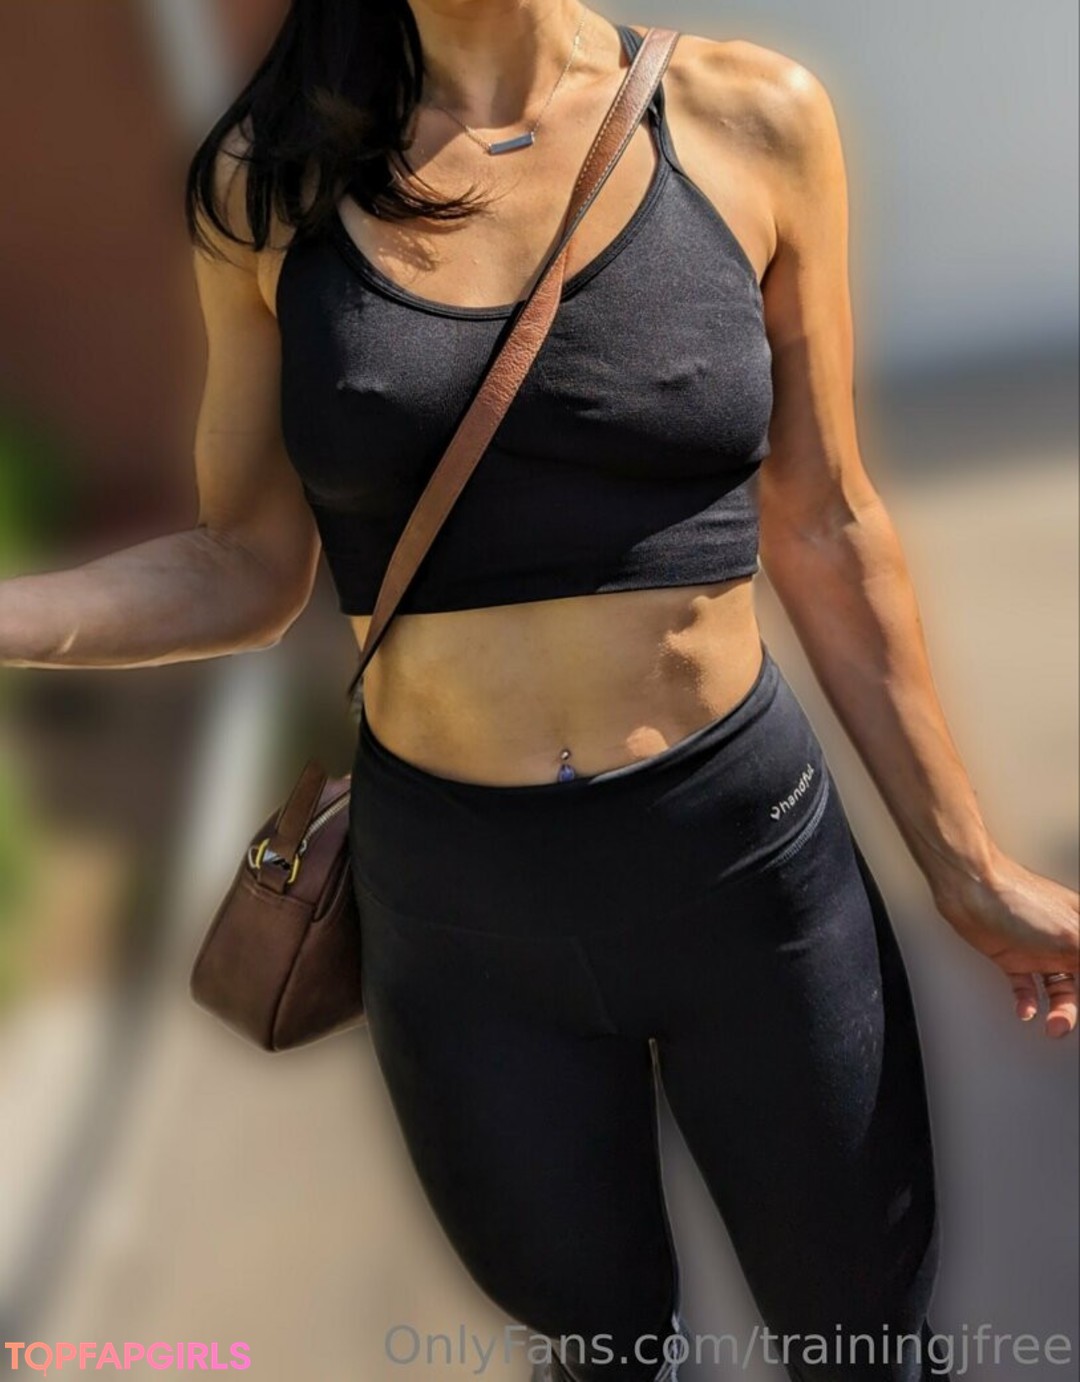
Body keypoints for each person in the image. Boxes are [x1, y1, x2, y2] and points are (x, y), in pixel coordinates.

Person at [1, 2, 1076, 1379]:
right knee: (607, 1360)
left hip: (745, 871)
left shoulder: (753, 117)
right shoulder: (271, 181)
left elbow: (827, 521)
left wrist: (967, 864)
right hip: (461, 916)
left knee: (865, 1350)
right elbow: (246, 565)